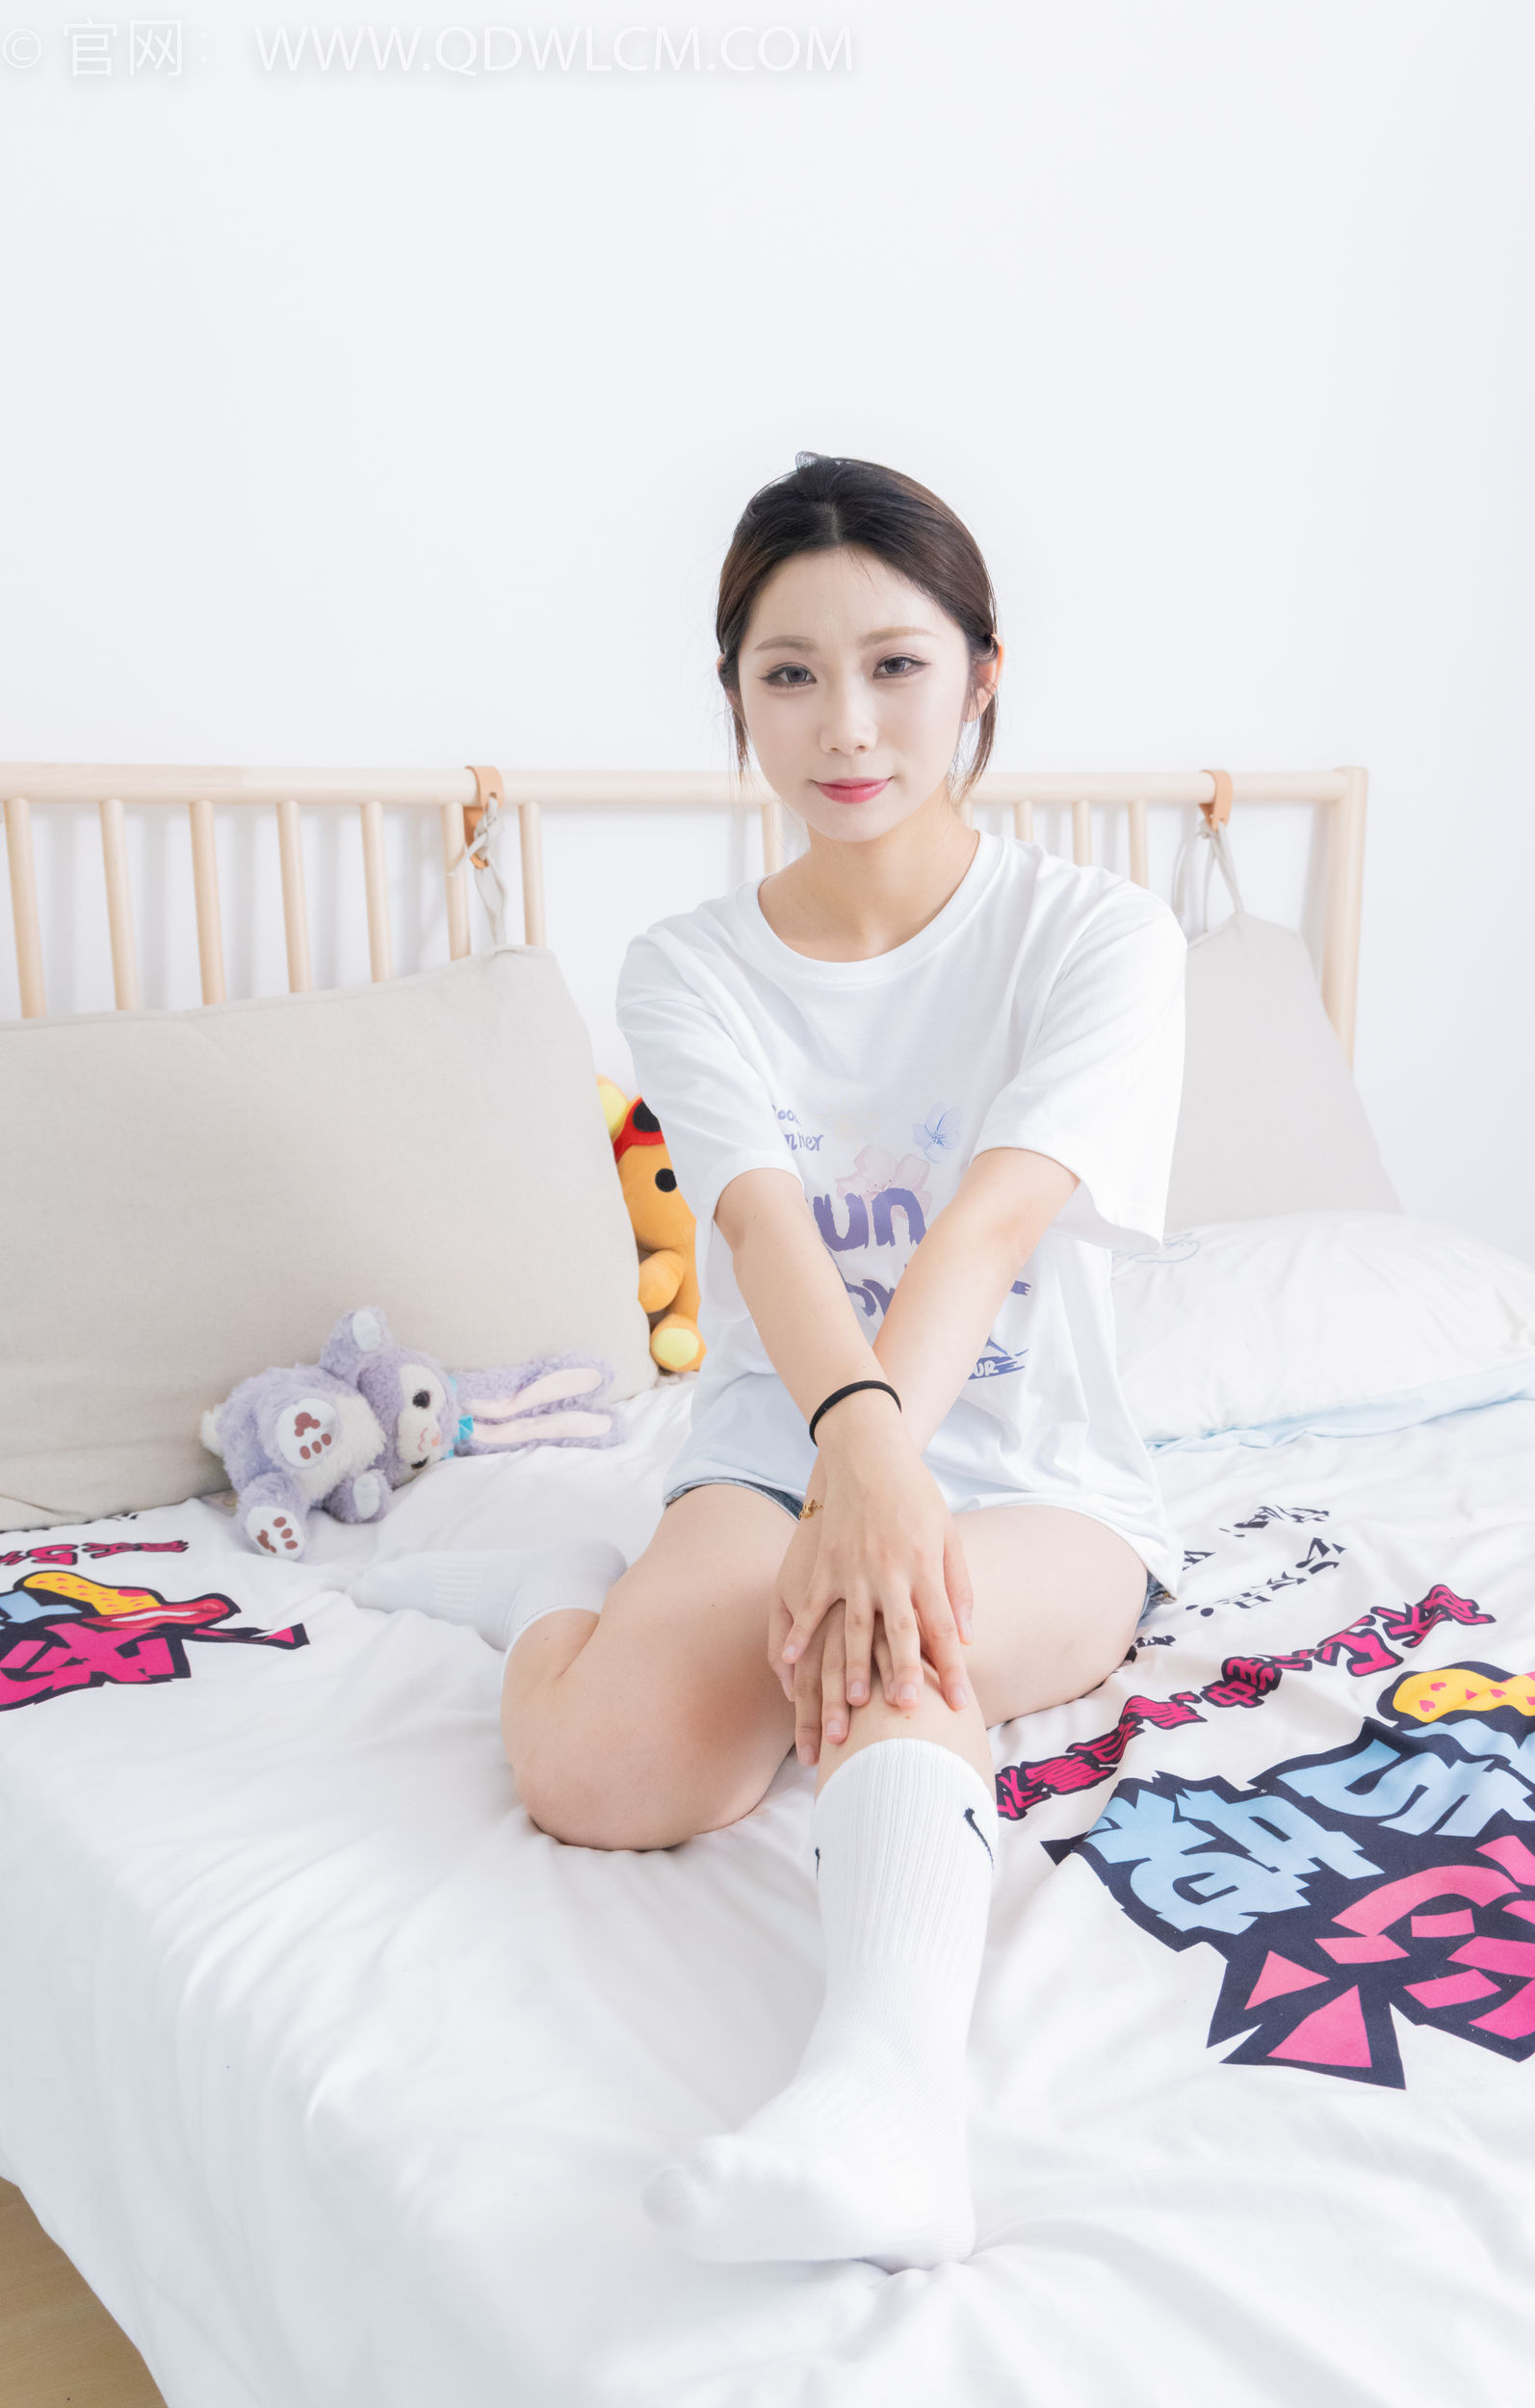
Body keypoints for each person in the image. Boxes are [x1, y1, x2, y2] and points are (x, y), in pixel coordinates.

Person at [356, 454, 1188, 2273]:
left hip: (1039, 1470)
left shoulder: (1099, 936)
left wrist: (887, 1483)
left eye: (895, 665)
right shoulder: (690, 966)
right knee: (604, 1775)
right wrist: (852, 1458)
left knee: (910, 1627)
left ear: (983, 673)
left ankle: (888, 2104)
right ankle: (559, 1589)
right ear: (734, 695)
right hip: (768, 1443)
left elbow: (990, 1226)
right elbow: (760, 1231)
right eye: (789, 673)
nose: (846, 723)